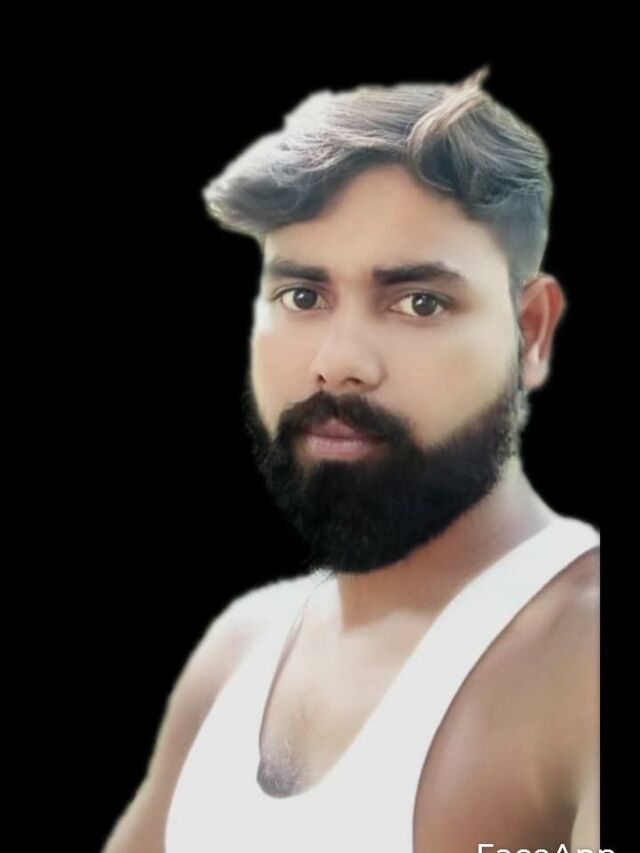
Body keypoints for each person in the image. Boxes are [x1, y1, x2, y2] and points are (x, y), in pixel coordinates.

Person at [103, 65, 601, 853]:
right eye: (302, 296)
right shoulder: (237, 650)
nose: (337, 363)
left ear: (531, 332)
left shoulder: (584, 664)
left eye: (419, 302)